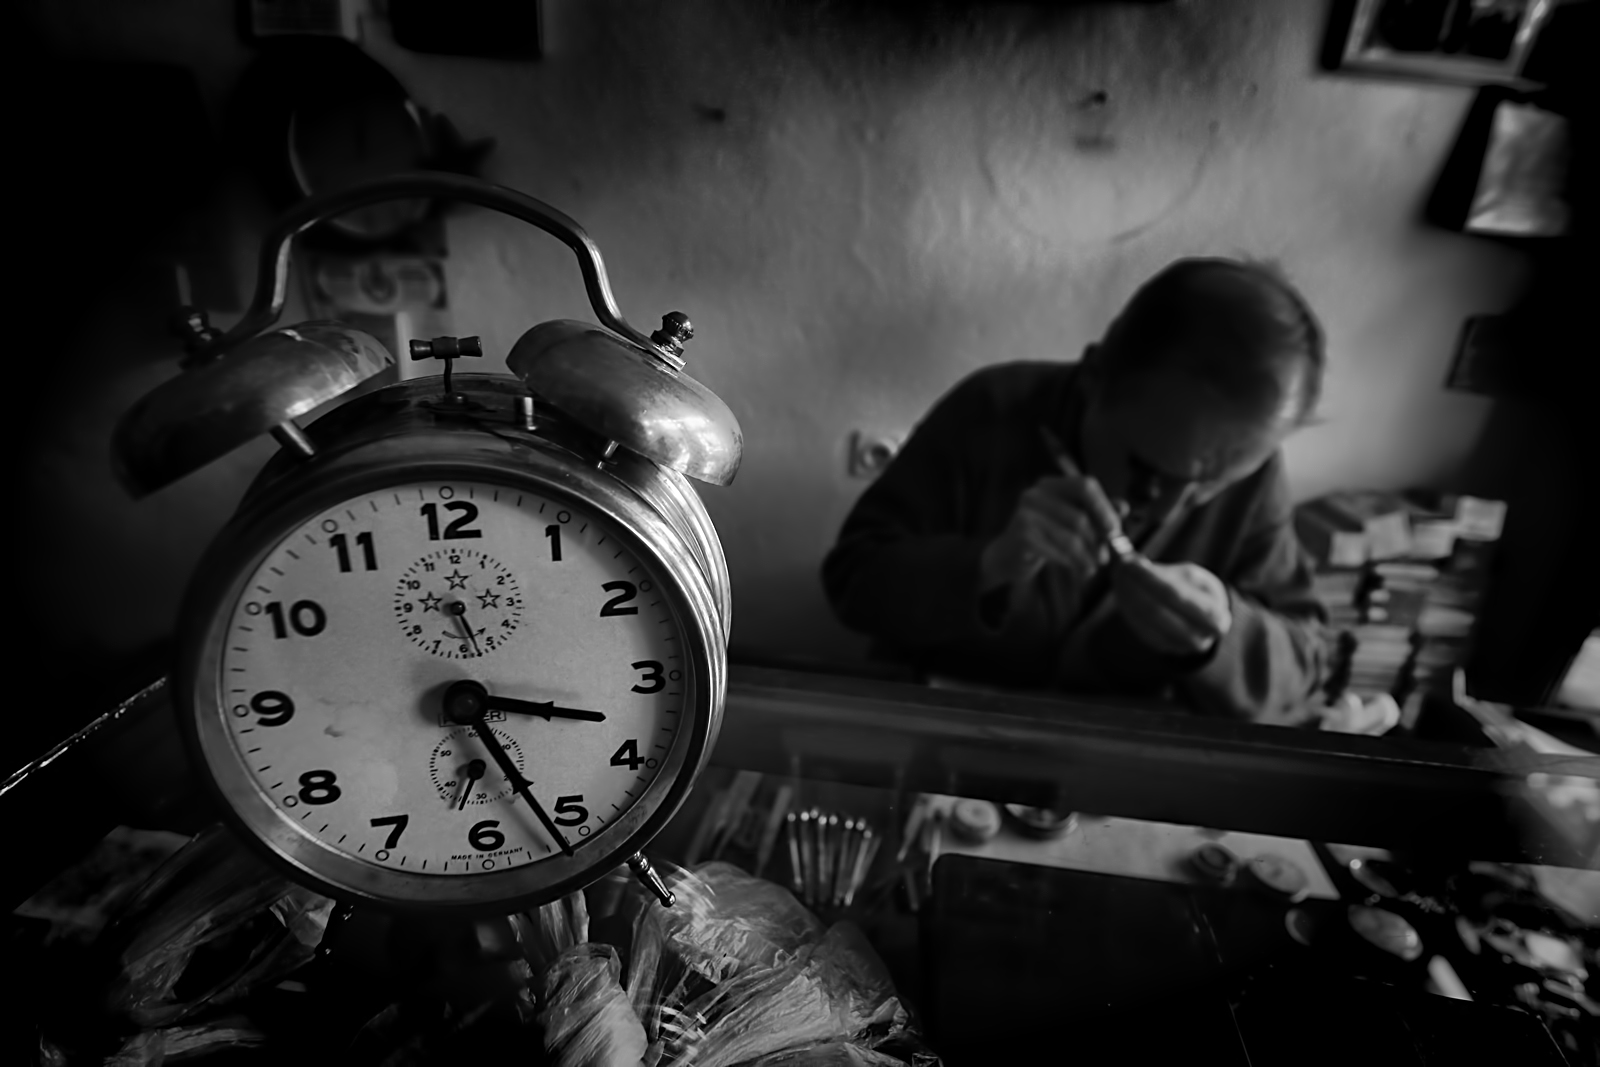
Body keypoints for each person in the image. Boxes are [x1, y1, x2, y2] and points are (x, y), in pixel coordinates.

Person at [821, 258, 1329, 723]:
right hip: (948, 739)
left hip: (1118, 768)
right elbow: (852, 584)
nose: (1170, 512)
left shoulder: (1254, 476)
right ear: (1094, 380)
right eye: (1147, 473)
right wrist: (991, 565)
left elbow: (1307, 667)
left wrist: (1221, 637)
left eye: (1213, 484)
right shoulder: (990, 410)